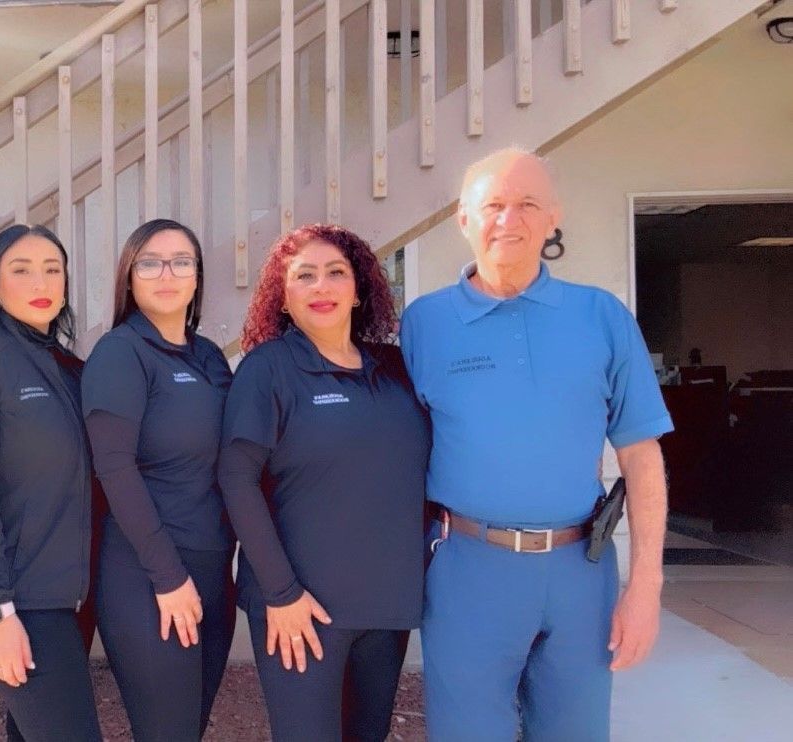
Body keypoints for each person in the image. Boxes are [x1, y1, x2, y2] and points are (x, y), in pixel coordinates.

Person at [401, 148, 672, 741]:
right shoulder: (424, 323)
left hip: (581, 572)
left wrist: (646, 586)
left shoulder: (601, 315)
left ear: (554, 217)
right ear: (464, 219)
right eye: (493, 205)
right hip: (469, 569)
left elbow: (641, 456)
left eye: (527, 204)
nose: (509, 220)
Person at [217, 224, 430, 741]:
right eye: (304, 276)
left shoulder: (397, 368)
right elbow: (236, 478)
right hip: (302, 610)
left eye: (336, 273)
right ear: (284, 297)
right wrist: (280, 593)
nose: (322, 287)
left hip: (386, 603)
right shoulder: (268, 369)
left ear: (359, 290)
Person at [0, 224, 102, 741]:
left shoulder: (63, 366)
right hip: (16, 603)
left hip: (62, 598)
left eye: (53, 269)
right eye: (22, 269)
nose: (41, 282)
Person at [81, 219, 236, 741]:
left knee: (187, 729)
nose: (166, 273)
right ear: (129, 276)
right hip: (147, 574)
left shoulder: (210, 357)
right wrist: (167, 577)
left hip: (215, 568)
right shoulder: (120, 353)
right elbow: (114, 470)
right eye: (150, 261)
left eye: (181, 261)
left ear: (197, 278)